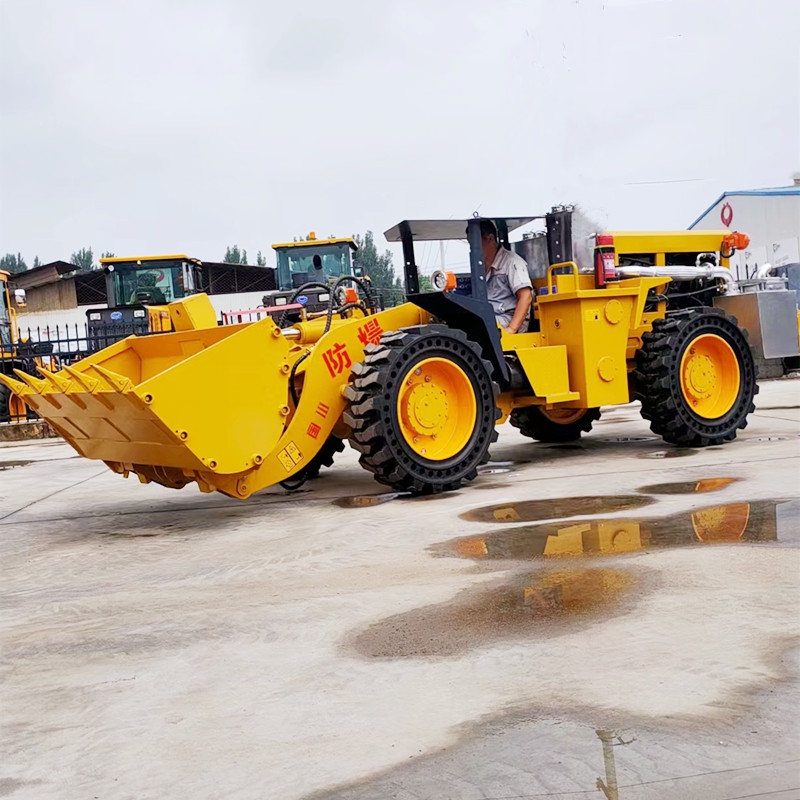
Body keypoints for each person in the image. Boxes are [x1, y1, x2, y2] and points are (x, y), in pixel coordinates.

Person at [475, 219, 532, 333]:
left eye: (475, 242)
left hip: (506, 318)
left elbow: (526, 297)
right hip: (491, 317)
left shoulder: (512, 262)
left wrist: (511, 329)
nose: (472, 247)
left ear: (490, 238)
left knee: (475, 326)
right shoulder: (481, 267)